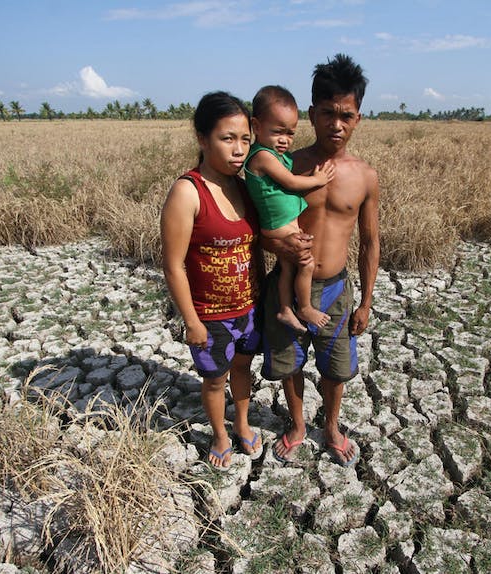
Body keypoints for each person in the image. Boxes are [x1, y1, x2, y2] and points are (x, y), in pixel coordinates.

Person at [262, 54, 379, 467]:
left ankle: (330, 427)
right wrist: (277, 247)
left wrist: (365, 302)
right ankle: (296, 425)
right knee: (289, 363)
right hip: (289, 285)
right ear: (311, 113)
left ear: (358, 118)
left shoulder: (364, 176)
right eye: (327, 113)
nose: (336, 124)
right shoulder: (286, 166)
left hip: (335, 289)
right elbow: (258, 224)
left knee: (335, 368)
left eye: (346, 115)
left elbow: (369, 243)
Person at [159, 91, 263, 471]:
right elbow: (173, 265)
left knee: (242, 370)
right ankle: (220, 434)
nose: (239, 149)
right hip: (210, 315)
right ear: (202, 139)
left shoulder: (245, 184)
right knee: (215, 380)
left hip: (249, 308)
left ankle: (243, 423)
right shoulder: (188, 191)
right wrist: (191, 321)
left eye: (245, 139)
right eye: (227, 138)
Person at [244, 85, 336, 333]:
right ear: (256, 126)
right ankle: (304, 307)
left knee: (287, 268)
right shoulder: (262, 156)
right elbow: (291, 182)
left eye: (290, 134)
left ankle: (285, 309)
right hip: (278, 227)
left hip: (281, 226)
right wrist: (318, 180)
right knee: (305, 263)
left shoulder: (276, 154)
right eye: (277, 132)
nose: (284, 140)